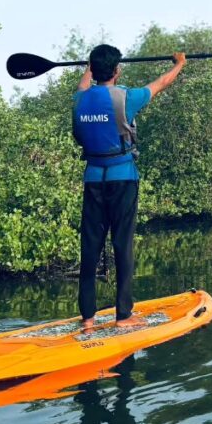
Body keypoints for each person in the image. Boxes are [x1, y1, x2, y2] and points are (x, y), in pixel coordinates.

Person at [72, 44, 186, 330]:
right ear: (117, 70)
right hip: (122, 179)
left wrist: (90, 65)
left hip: (93, 180)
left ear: (93, 69)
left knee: (90, 248)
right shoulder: (125, 97)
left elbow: (84, 82)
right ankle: (123, 316)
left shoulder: (80, 99)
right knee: (122, 245)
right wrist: (179, 64)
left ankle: (87, 319)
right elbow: (161, 83)